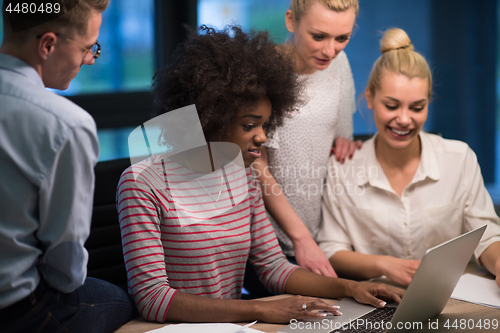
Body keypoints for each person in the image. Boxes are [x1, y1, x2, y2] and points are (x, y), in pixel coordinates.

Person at [117, 25, 404, 324]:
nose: (262, 137)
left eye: (265, 125)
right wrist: (261, 309)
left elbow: (273, 266)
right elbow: (152, 299)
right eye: (249, 126)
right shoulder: (142, 184)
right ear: (211, 119)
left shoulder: (241, 174)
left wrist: (351, 288)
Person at [318, 28, 500, 289]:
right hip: (375, 300)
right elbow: (332, 250)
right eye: (391, 106)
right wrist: (384, 264)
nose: (404, 119)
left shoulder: (459, 159)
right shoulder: (342, 168)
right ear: (369, 98)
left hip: (450, 299)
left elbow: (487, 236)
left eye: (417, 107)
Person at [0, 1, 139, 332]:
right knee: (123, 302)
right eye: (88, 48)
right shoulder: (65, 124)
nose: (89, 60)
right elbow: (65, 268)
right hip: (18, 311)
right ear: (48, 44)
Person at [252, 0, 362, 277]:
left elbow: (341, 134)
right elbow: (255, 166)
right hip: (268, 239)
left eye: (342, 38)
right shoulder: (266, 74)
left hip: (319, 234)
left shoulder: (340, 63)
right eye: (318, 36)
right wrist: (300, 238)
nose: (330, 50)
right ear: (291, 21)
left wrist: (345, 142)